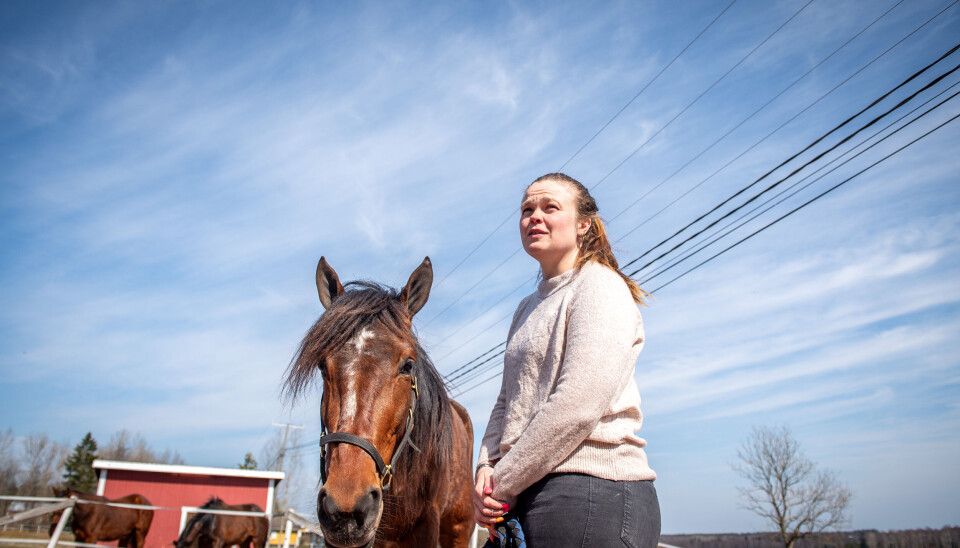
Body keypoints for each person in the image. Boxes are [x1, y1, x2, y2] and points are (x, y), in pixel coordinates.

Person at [473, 173, 660, 547]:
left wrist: (502, 482)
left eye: (550, 207)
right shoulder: (526, 308)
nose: (534, 217)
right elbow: (506, 402)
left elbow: (578, 403)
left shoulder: (600, 286)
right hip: (523, 490)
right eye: (527, 209)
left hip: (591, 490)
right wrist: (484, 468)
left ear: (583, 224)